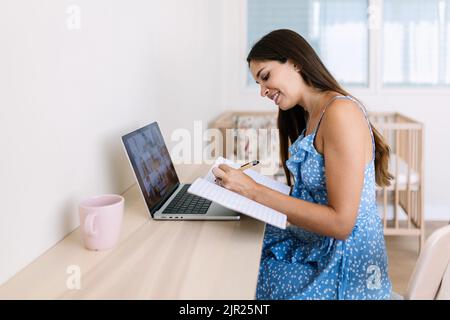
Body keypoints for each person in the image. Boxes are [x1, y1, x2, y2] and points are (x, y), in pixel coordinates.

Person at [212, 29, 393, 299]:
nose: (262, 91)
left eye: (265, 77)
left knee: (240, 273)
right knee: (236, 250)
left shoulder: (341, 113)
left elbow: (341, 224)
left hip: (345, 268)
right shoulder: (310, 114)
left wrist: (253, 191)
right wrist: (250, 193)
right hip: (318, 246)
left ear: (295, 62)